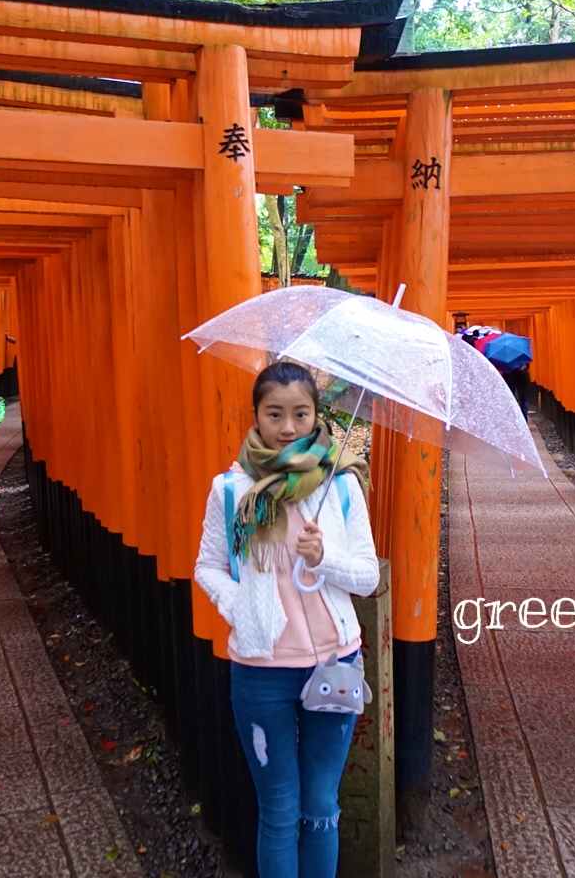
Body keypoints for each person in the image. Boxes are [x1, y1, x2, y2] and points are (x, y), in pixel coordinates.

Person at [193, 362, 379, 878]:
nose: (289, 427)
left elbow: (366, 578)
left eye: (301, 413)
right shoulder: (231, 492)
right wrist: (240, 609)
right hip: (260, 670)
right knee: (277, 810)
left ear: (317, 415)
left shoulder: (340, 488)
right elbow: (207, 566)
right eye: (275, 414)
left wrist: (326, 559)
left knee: (320, 809)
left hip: (334, 665)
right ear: (256, 415)